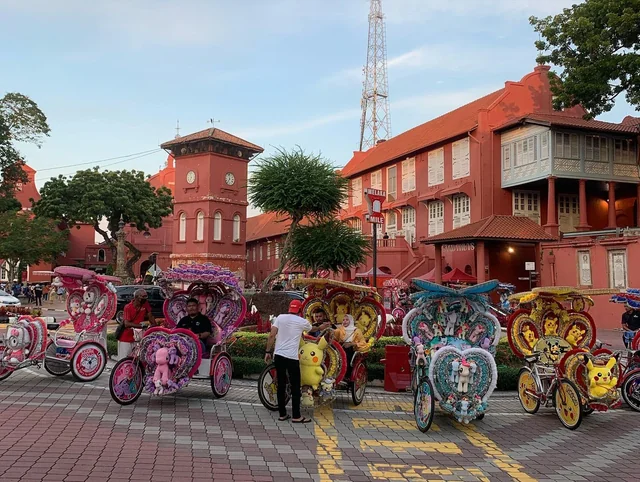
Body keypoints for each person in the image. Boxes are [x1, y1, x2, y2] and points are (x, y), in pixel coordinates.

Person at [264, 300, 312, 424]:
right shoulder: (302, 321)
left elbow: (271, 335)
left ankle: (282, 414)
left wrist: (267, 352)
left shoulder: (280, 317)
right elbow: (310, 328)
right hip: (292, 358)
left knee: (281, 385)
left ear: (289, 308)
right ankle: (296, 416)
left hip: (279, 355)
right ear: (300, 310)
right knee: (295, 387)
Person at [117, 289, 156, 360]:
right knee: (124, 360)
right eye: (142, 298)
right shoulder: (128, 307)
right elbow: (126, 324)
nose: (144, 300)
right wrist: (142, 326)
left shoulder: (145, 304)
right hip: (126, 338)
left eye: (145, 297)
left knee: (136, 360)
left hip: (138, 337)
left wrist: (155, 327)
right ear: (136, 298)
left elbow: (150, 316)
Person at [333, 314, 369, 379]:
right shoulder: (339, 329)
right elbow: (335, 338)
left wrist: (353, 344)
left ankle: (346, 375)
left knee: (347, 351)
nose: (344, 321)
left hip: (352, 349)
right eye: (343, 320)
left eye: (347, 320)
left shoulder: (357, 331)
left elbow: (363, 343)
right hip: (341, 348)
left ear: (351, 321)